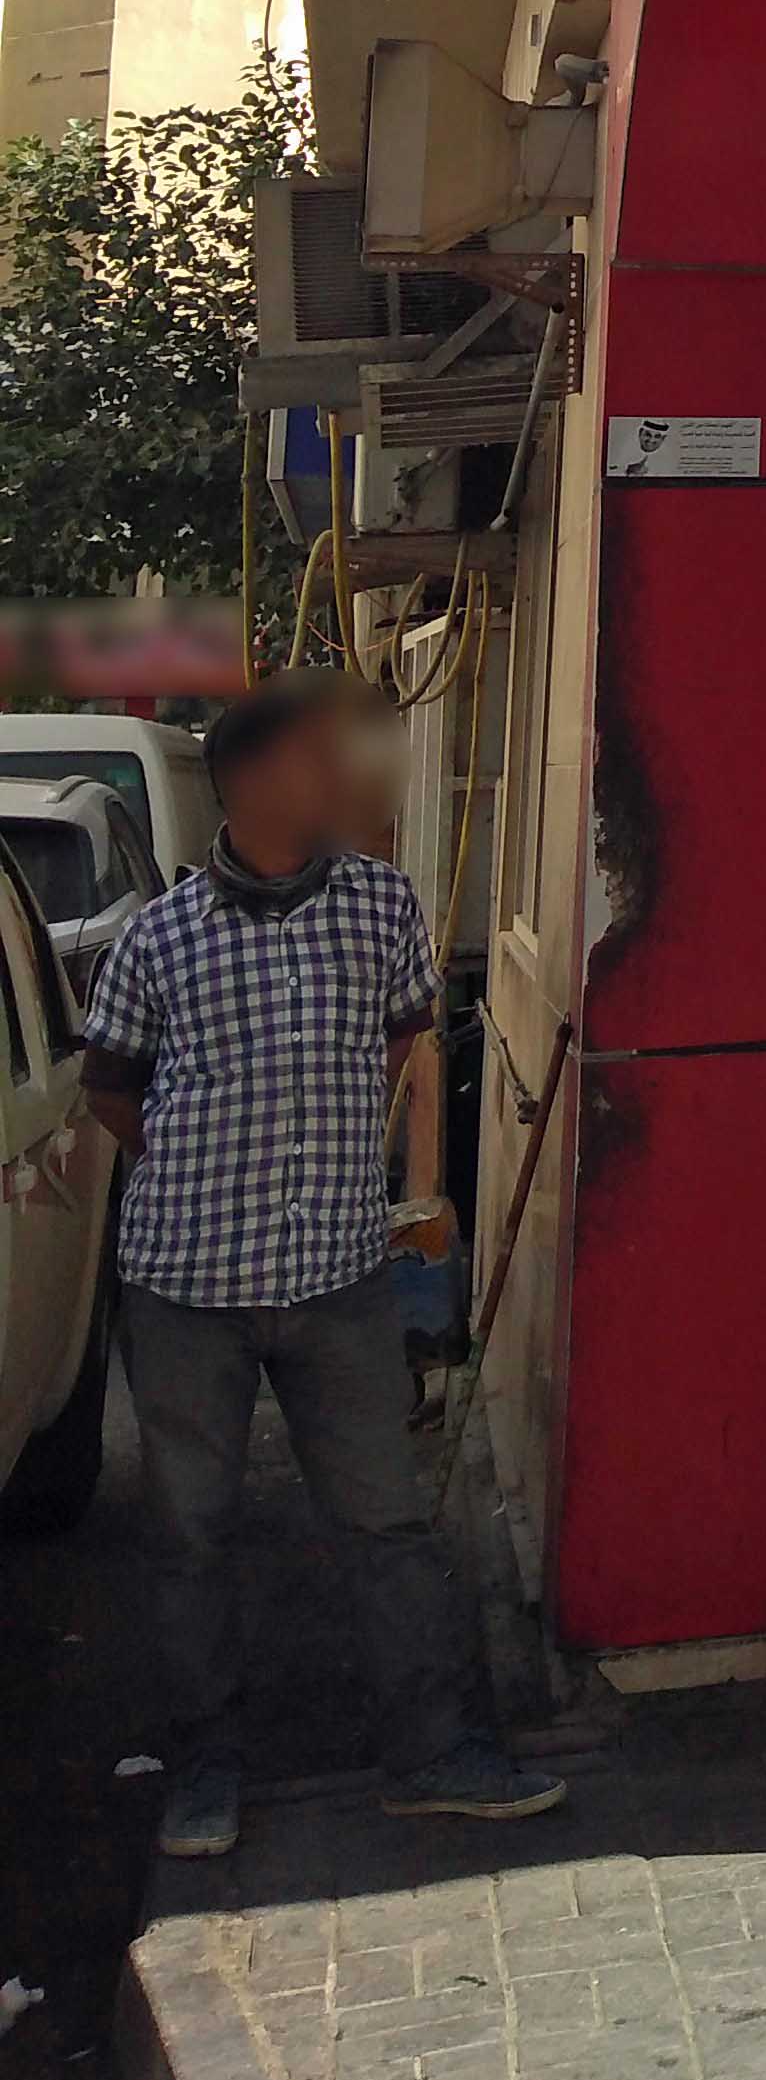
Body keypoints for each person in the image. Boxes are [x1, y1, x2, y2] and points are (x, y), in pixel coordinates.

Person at [80, 668, 566, 1861]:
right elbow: (111, 1092)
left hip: (338, 1275)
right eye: (316, 758)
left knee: (388, 1525)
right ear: (250, 783)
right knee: (193, 1535)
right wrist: (217, 1175)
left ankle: (432, 1751)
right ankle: (204, 1769)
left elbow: (402, 1034)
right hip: (186, 1286)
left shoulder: (382, 907)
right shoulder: (162, 938)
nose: (343, 777)